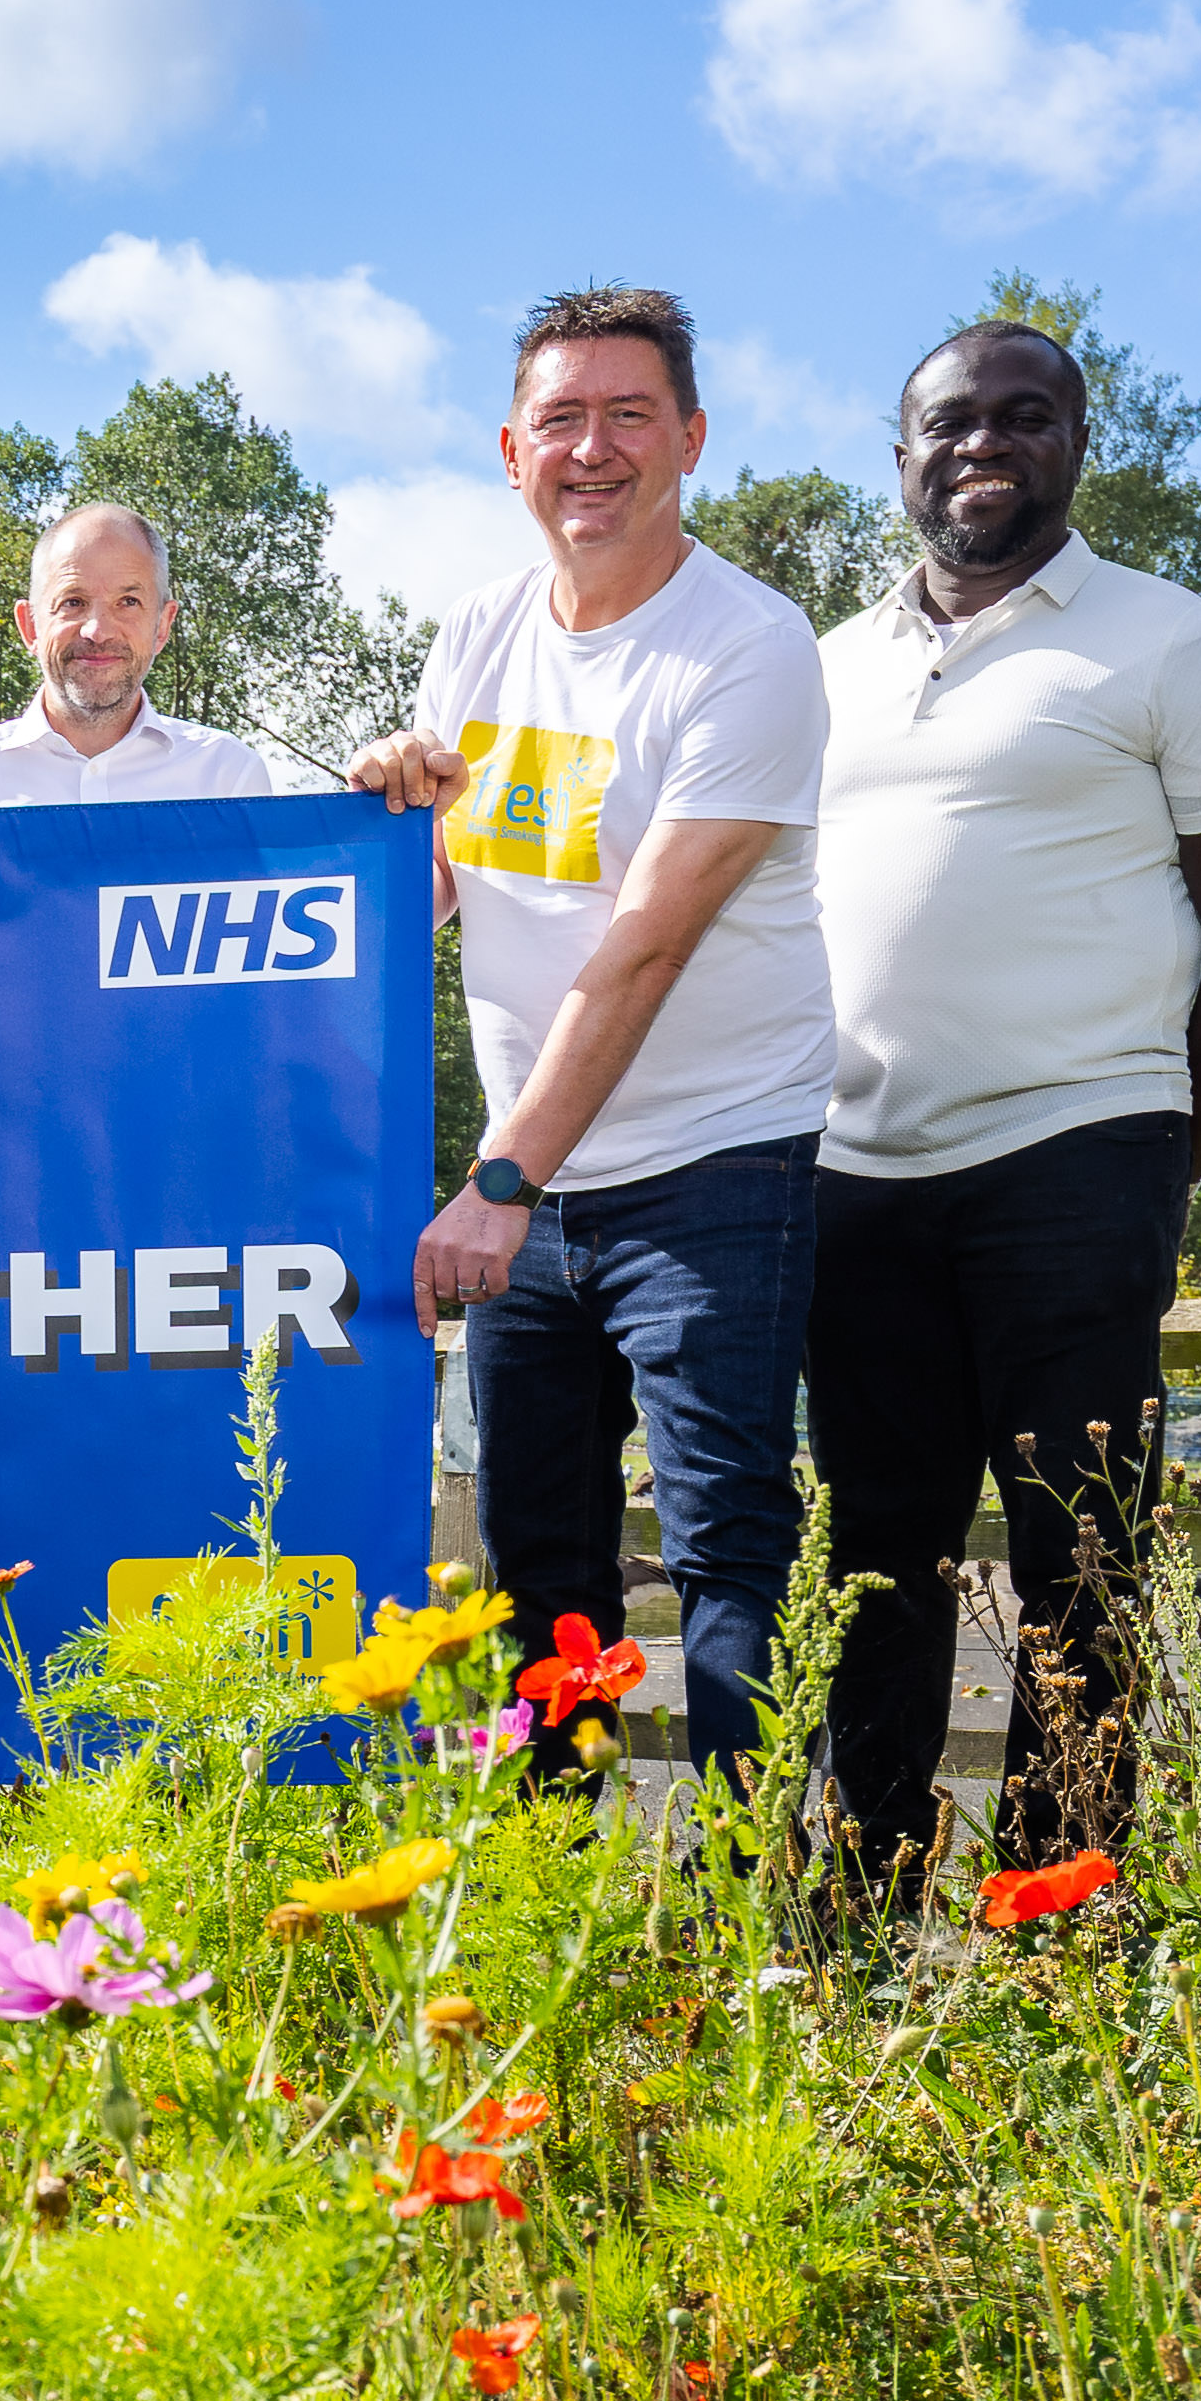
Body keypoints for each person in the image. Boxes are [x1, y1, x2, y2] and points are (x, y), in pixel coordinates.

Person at [807, 318, 1201, 1902]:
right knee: (876, 1572)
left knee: (1079, 1574)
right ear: (899, 458)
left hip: (1074, 1160)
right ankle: (850, 1929)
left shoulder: (1181, 648)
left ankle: (1063, 1949)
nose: (984, 448)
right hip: (855, 1177)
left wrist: (1160, 1152)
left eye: (1023, 420)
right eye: (950, 426)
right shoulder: (820, 668)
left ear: (1076, 445)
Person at [348, 285, 834, 1797]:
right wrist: (378, 824)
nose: (594, 449)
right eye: (561, 419)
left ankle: (767, 1924)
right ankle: (554, 1910)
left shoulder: (749, 649)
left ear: (690, 437)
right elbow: (432, 895)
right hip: (531, 1193)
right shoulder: (480, 635)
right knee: (534, 1568)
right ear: (512, 451)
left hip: (714, 1168)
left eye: (631, 415)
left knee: (726, 1554)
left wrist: (495, 1179)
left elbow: (643, 949)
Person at [0, 505, 280, 805]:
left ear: (162, 625)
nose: (98, 631)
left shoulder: (228, 775)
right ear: (30, 626)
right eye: (73, 602)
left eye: (128, 602)